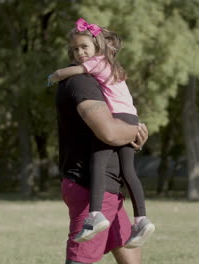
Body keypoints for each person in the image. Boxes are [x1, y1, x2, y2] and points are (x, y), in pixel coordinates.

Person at [49, 17, 155, 248]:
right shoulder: (111, 65)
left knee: (97, 161)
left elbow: (76, 70)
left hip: (117, 118)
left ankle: (95, 214)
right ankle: (142, 219)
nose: (79, 53)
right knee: (128, 171)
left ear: (97, 47)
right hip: (131, 115)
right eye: (75, 49)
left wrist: (55, 75)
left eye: (84, 47)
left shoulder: (96, 64)